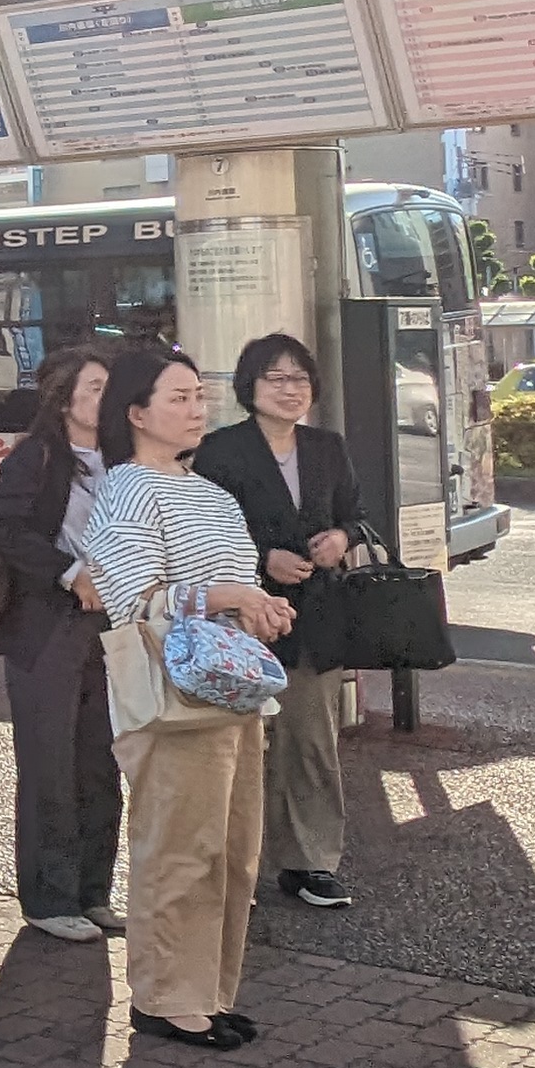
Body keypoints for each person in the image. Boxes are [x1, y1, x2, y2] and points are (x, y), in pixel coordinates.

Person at [86, 347, 302, 1052]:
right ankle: (163, 999)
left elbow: (232, 583)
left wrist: (259, 609)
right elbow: (131, 600)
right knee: (179, 849)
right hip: (168, 694)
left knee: (233, 852)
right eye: (176, 398)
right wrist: (229, 596)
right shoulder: (126, 488)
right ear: (136, 413)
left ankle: (208, 992)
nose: (194, 410)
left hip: (229, 689)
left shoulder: (209, 492)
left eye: (198, 397)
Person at [194, 332, 367, 913]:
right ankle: (230, 865)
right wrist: (264, 557)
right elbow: (206, 533)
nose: (291, 390)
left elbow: (356, 517)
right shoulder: (220, 450)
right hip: (240, 621)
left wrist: (341, 539)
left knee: (312, 744)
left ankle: (311, 863)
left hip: (314, 620)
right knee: (238, 747)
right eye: (277, 378)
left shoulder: (327, 447)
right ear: (250, 387)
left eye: (300, 379)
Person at [0, 345, 123, 943]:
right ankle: (47, 898)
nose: (104, 397)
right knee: (50, 764)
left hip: (109, 629)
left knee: (101, 762)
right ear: (64, 399)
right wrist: (70, 572)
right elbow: (3, 529)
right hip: (44, 629)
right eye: (93, 388)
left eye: (109, 387)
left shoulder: (124, 457)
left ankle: (93, 892)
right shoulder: (36, 456)